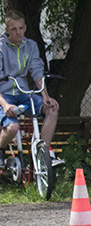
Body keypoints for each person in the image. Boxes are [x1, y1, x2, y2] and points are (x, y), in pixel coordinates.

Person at [0, 10, 62, 167]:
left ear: (25, 27)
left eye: (21, 28)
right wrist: (5, 105)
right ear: (7, 30)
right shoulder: (1, 47)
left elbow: (36, 71)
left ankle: (44, 153)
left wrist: (45, 96)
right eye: (13, 29)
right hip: (4, 96)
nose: (18, 32)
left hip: (24, 94)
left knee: (52, 108)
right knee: (13, 127)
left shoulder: (31, 46)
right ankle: (0, 149)